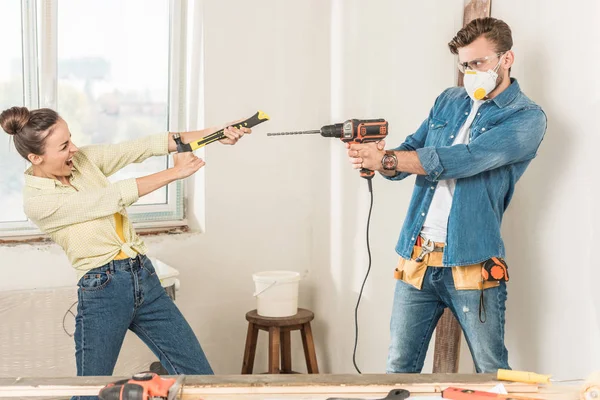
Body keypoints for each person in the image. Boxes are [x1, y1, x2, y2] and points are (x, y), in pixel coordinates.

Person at [0, 106, 251, 393]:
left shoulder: (83, 161)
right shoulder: (37, 203)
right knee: (89, 390)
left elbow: (143, 147)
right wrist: (174, 172)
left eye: (71, 138)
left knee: (199, 378)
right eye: (64, 145)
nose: (75, 148)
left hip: (144, 277)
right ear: (36, 158)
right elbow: (111, 198)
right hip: (103, 290)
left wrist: (216, 133)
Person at [346, 17, 547, 373]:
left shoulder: (526, 118)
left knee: (490, 370)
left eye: (479, 63)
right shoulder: (449, 100)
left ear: (507, 59)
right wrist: (378, 160)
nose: (471, 72)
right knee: (398, 368)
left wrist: (391, 158)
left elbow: (465, 160)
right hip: (417, 258)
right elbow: (411, 151)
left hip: (471, 263)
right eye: (465, 64)